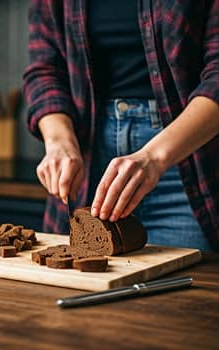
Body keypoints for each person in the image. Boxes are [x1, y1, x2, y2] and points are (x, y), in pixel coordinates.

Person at [23, 0, 219, 252]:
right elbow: (45, 68)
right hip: (89, 160)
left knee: (182, 287)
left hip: (185, 163)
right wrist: (59, 141)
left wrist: (155, 157)